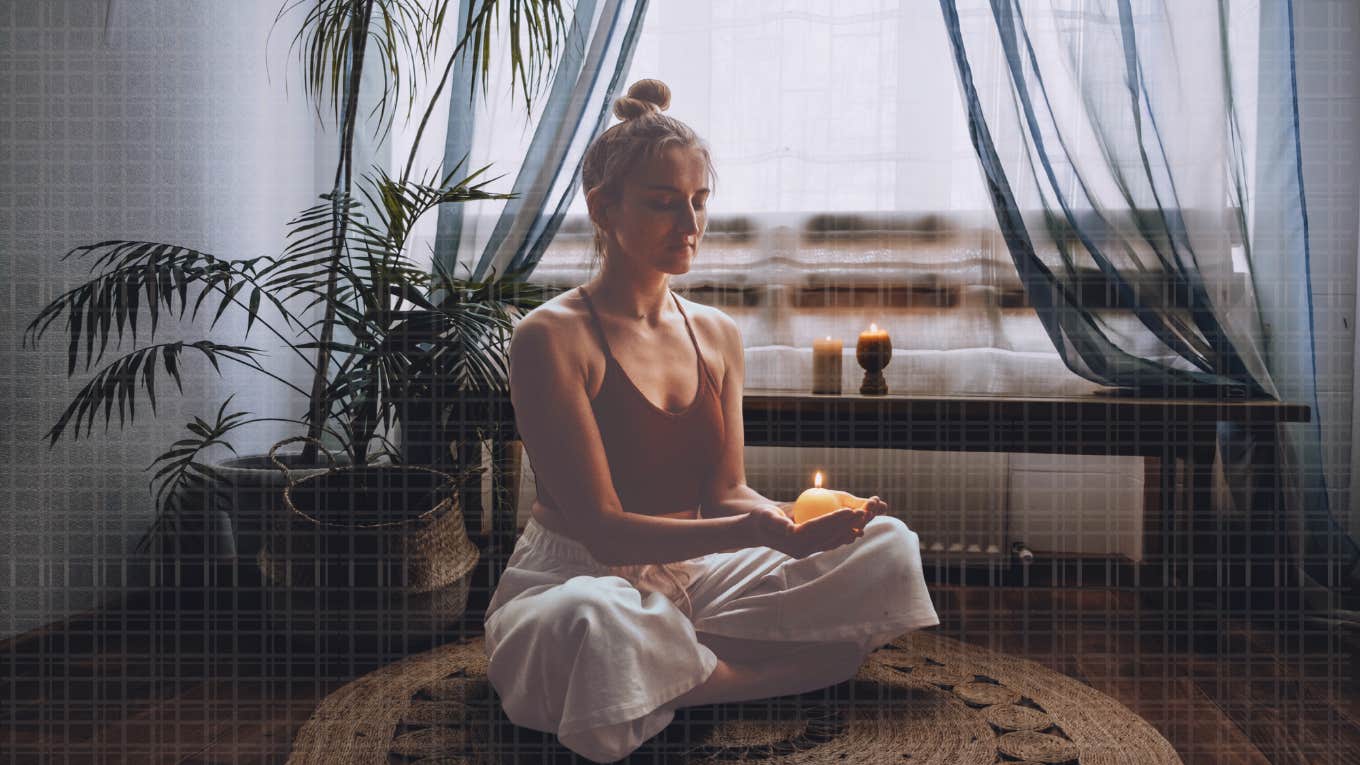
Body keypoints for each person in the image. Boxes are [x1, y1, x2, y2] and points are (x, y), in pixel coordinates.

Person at [483, 78, 938, 763]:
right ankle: (754, 672)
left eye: (699, 202)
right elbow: (604, 531)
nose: (690, 226)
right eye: (664, 204)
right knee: (596, 623)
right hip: (578, 576)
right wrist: (755, 531)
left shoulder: (718, 334)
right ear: (602, 207)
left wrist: (797, 524)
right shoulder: (549, 337)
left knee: (887, 543)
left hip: (696, 566)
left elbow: (728, 493)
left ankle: (669, 672)